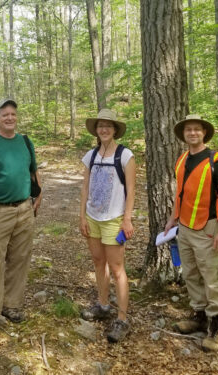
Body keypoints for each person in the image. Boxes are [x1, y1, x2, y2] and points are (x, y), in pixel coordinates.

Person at [0, 98, 42, 340]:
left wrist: (38, 193)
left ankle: (11, 305)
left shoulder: (25, 142)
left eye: (13, 114)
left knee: (20, 259)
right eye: (5, 115)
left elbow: (33, 170)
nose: (10, 118)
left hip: (24, 209)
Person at [164, 114, 218, 351]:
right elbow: (179, 192)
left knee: (212, 276)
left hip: (208, 227)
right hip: (184, 226)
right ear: (183, 134)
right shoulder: (182, 159)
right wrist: (173, 218)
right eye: (188, 130)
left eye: (197, 129)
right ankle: (200, 316)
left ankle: (217, 324)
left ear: (204, 132)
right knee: (191, 272)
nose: (192, 133)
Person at [79, 108, 136, 343]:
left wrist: (127, 219)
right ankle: (103, 305)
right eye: (100, 125)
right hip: (93, 218)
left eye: (108, 126)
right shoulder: (90, 156)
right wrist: (82, 216)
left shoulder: (125, 156)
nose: (104, 129)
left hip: (114, 219)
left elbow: (131, 189)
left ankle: (122, 319)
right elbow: (84, 187)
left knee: (117, 268)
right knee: (98, 261)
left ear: (115, 130)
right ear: (96, 129)